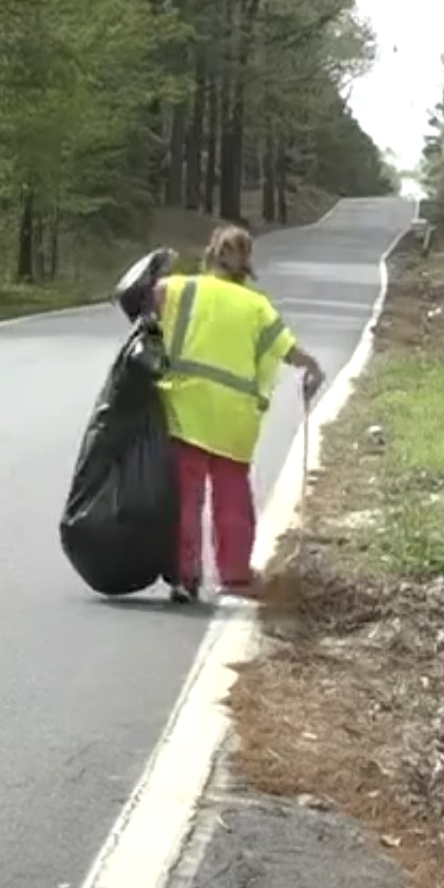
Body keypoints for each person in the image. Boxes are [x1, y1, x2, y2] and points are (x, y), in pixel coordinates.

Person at [146, 224, 325, 604]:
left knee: (187, 498)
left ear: (210, 255)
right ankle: (235, 575)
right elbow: (288, 349)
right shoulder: (256, 306)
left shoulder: (182, 289)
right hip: (234, 421)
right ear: (247, 267)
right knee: (232, 500)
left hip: (186, 409)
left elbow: (152, 297)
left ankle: (185, 576)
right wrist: (314, 367)